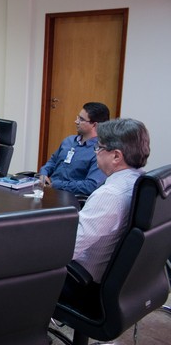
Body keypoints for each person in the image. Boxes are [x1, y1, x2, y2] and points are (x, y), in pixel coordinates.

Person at [61, 118, 150, 300]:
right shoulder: (141, 181)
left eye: (99, 148)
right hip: (121, 284)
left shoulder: (110, 195)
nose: (96, 153)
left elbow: (66, 250)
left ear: (116, 156)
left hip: (80, 283)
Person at [39, 102, 110, 196]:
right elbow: (52, 161)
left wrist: (56, 185)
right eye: (78, 117)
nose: (76, 121)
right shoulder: (68, 141)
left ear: (94, 125)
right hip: (48, 191)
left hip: (69, 198)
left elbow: (90, 186)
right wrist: (43, 174)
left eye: (81, 119)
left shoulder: (100, 151)